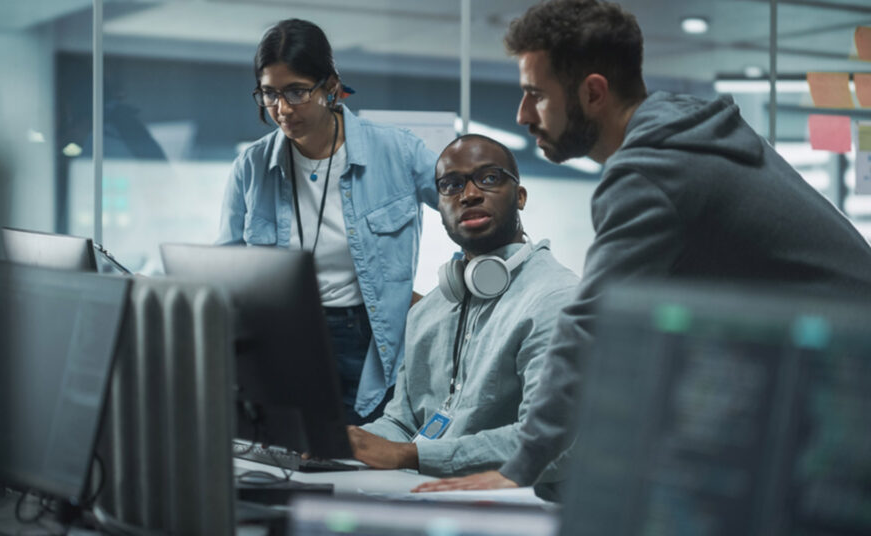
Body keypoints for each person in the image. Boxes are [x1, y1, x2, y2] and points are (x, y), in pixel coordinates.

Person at [415, 0, 871, 493]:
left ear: (592, 93)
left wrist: (519, 470)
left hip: (844, 394)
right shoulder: (686, 136)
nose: (523, 114)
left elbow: (593, 330)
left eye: (536, 95)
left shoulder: (651, 170)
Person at [217, 19, 439, 425]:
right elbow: (228, 268)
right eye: (270, 93)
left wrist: (448, 300)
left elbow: (473, 212)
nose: (282, 109)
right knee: (292, 458)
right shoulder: (251, 167)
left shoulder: (398, 151)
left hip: (368, 340)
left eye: (297, 91)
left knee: (365, 462)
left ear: (331, 87)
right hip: (286, 339)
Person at [346, 134, 578, 492]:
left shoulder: (556, 299)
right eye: (451, 185)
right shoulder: (429, 311)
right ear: (439, 206)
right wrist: (346, 443)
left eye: (488, 178)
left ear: (520, 196)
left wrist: (411, 456)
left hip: (514, 510)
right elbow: (402, 423)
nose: (468, 194)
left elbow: (551, 443)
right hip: (421, 496)